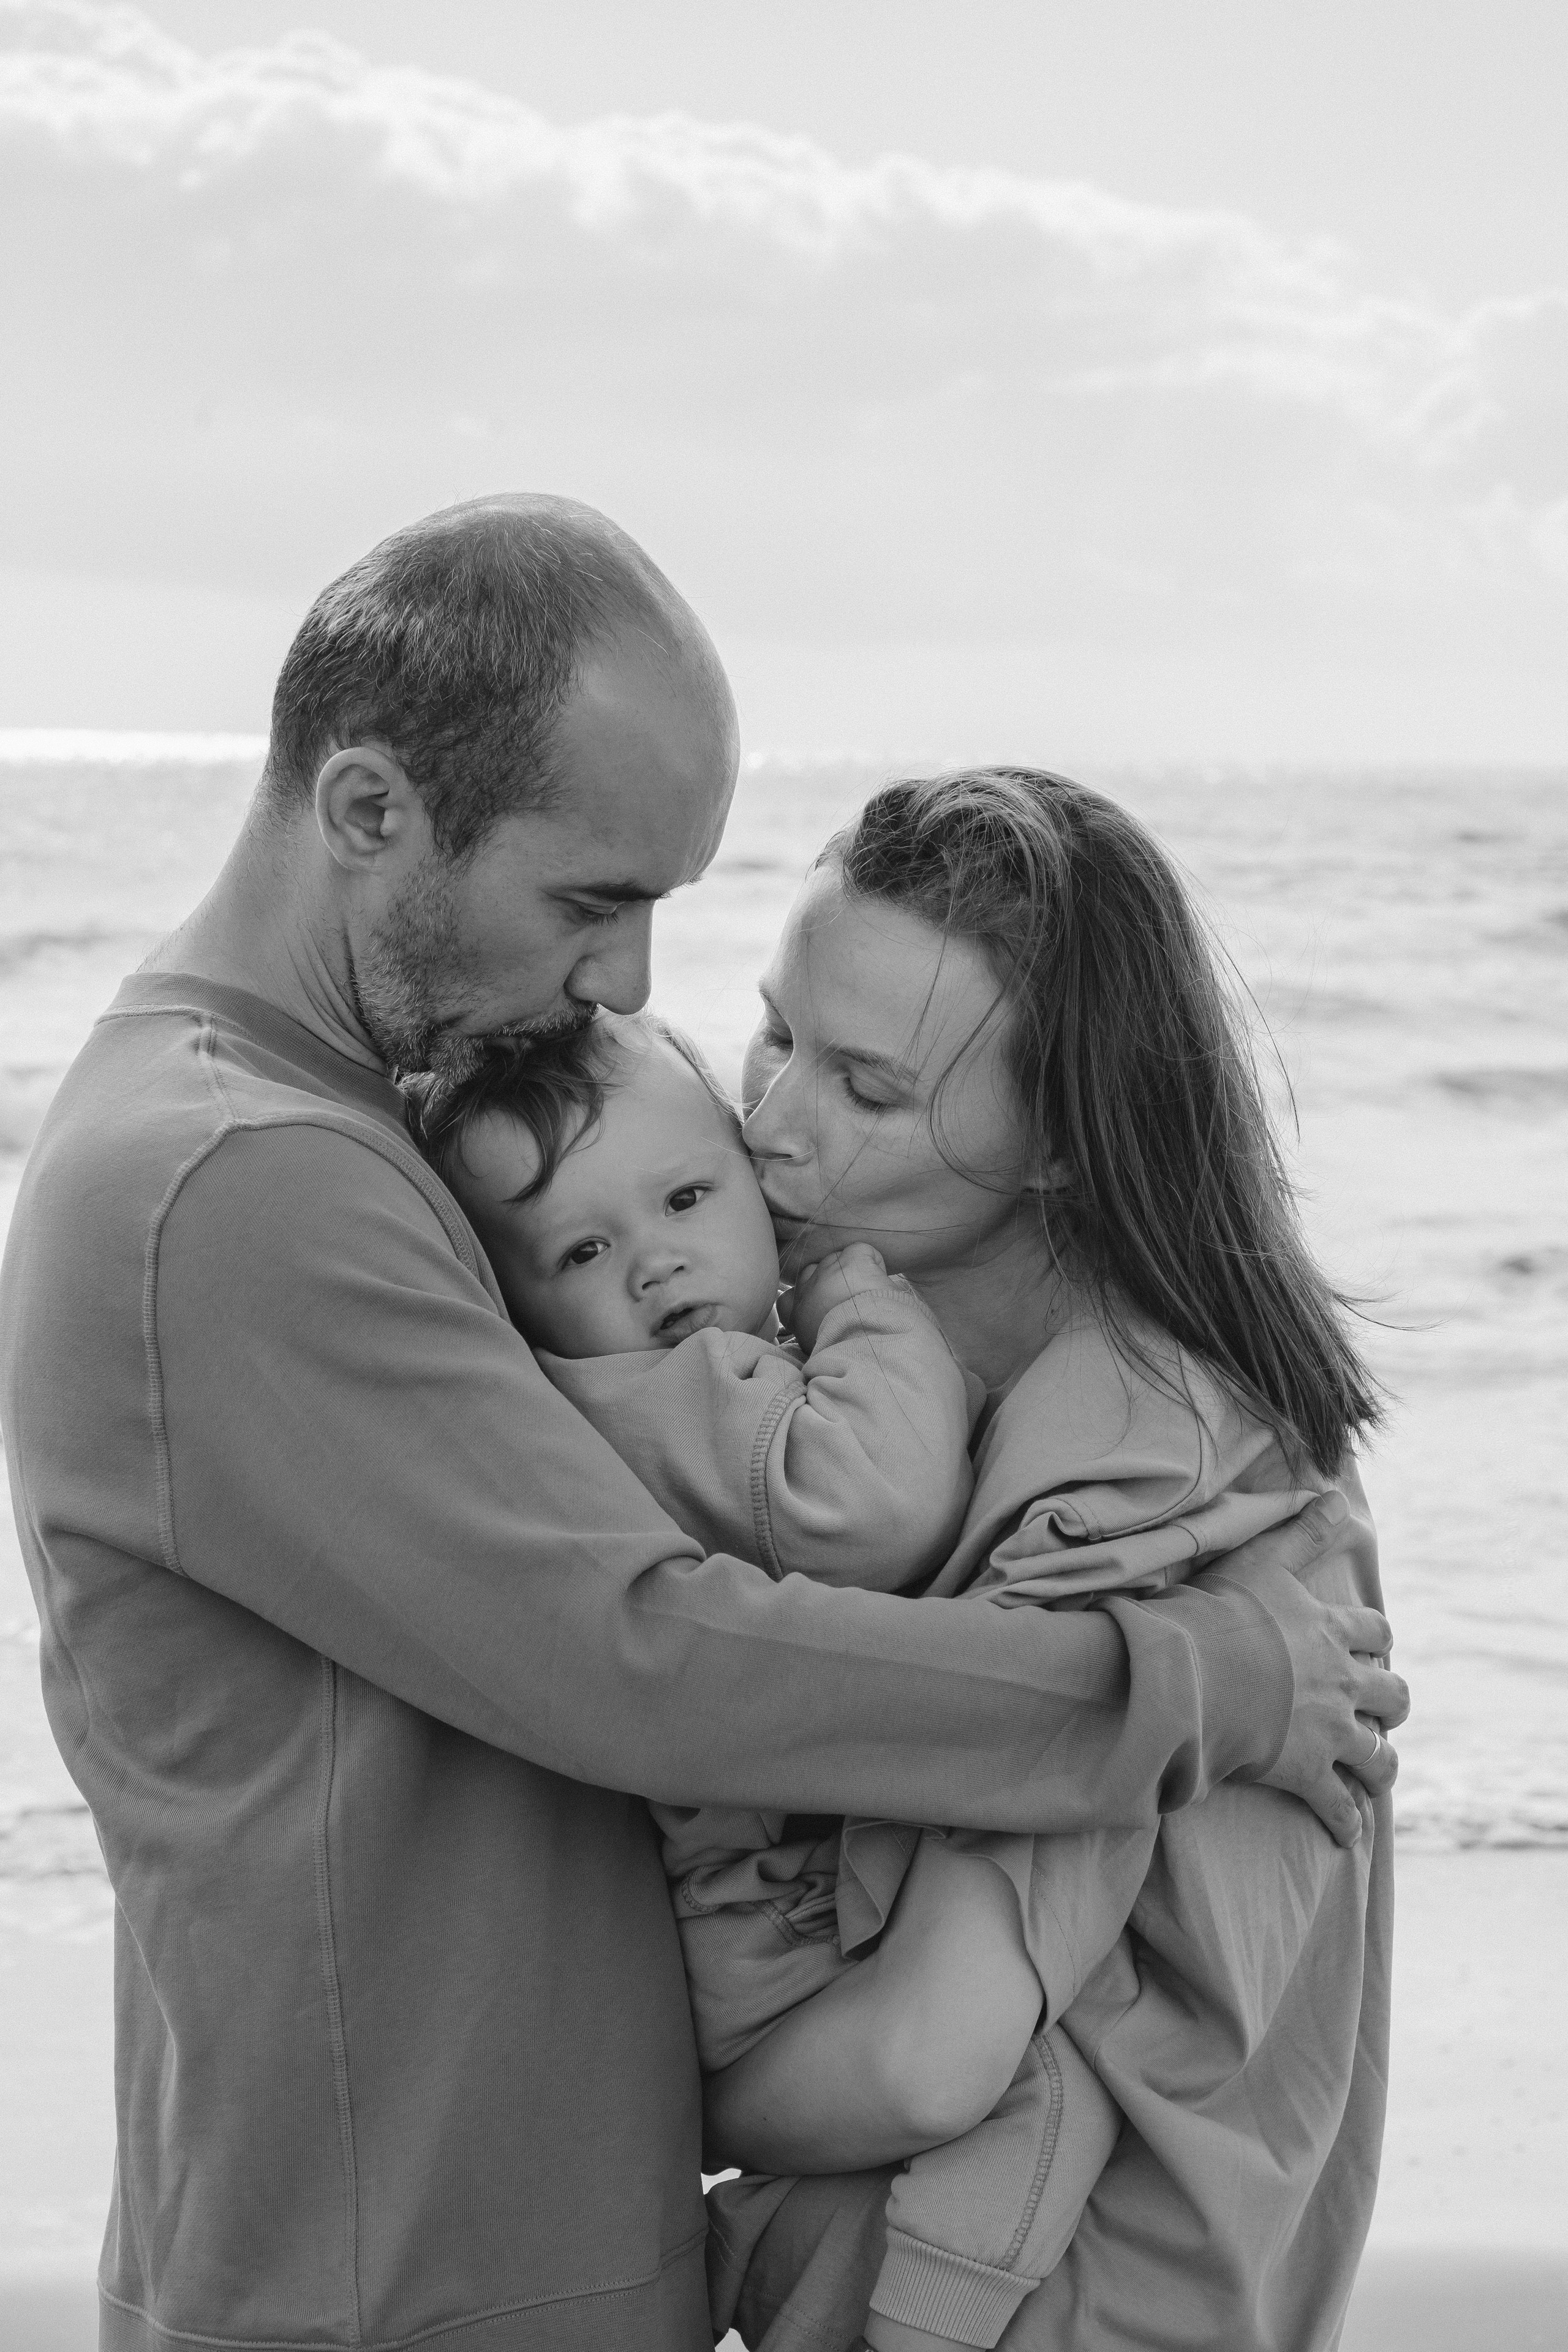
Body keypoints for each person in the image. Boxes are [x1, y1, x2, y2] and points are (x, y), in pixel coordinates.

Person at [0, 497, 1404, 2352]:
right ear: (368, 812)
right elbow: (637, 1651)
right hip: (396, 2290)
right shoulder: (244, 1182)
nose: (634, 988)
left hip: (489, 2270)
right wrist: (1188, 1687)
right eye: (593, 903)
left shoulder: (363, 1137)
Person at [702, 771, 1398, 2352]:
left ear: (1062, 1148)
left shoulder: (1133, 1478)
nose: (772, 1122)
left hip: (1056, 2305)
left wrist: (566, 2119)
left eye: (869, 1091)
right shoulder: (930, 1389)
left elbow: (920, 2062)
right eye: (775, 1032)